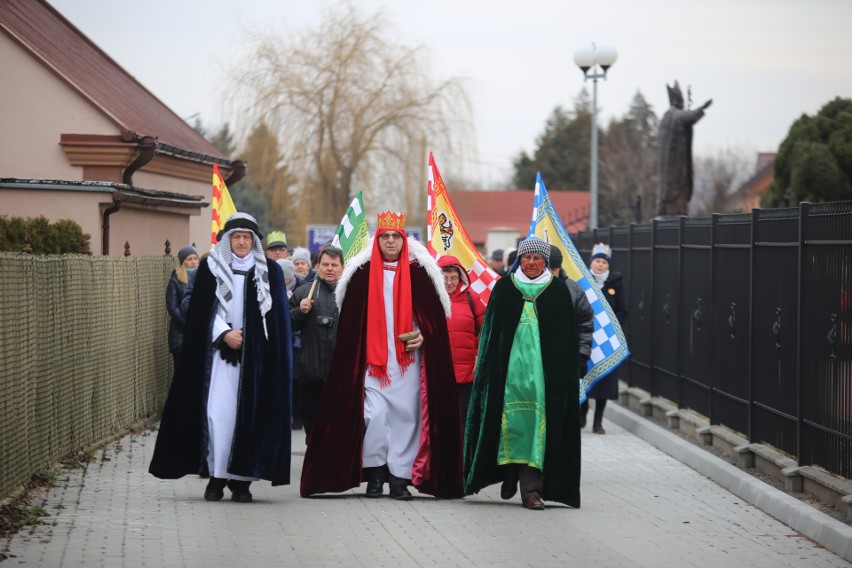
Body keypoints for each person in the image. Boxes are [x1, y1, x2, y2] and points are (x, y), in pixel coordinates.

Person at [300, 211, 463, 501]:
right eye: (385, 236)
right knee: (373, 415)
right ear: (378, 240)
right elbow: (351, 323)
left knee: (406, 418)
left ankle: (399, 478)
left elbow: (435, 321)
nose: (390, 241)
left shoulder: (420, 274)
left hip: (408, 361)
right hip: (372, 362)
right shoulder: (362, 275)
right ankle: (375, 471)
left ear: (404, 240)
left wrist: (425, 335)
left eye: (395, 237)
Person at [149, 213, 293, 503]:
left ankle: (242, 482)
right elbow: (200, 312)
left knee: (248, 418)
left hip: (256, 361)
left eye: (247, 237)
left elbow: (277, 322)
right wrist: (223, 333)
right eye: (236, 237)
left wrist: (251, 337)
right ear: (228, 240)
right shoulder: (210, 269)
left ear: (254, 241)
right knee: (217, 415)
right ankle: (216, 476)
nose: (241, 242)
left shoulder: (270, 272)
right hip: (216, 358)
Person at [464, 237, 581, 510]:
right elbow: (490, 336)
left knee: (536, 427)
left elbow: (566, 341)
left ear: (545, 262)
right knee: (508, 422)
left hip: (541, 376)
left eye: (536, 258)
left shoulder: (558, 291)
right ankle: (509, 473)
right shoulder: (505, 288)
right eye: (526, 258)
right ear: (520, 260)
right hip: (507, 375)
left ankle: (531, 490)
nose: (531, 262)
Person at [290, 246, 344, 438]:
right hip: (311, 375)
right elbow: (286, 324)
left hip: (341, 377)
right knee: (313, 433)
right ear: (317, 266)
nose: (330, 269)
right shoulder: (305, 292)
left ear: (342, 268)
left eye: (334, 265)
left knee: (338, 433)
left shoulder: (351, 294)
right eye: (325, 264)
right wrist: (300, 312)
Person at [580, 243, 628, 434]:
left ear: (608, 265)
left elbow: (623, 311)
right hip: (587, 339)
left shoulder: (615, 283)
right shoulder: (583, 282)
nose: (600, 265)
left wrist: (612, 329)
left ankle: (598, 422)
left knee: (605, 381)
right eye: (597, 261)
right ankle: (582, 411)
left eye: (603, 262)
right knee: (584, 377)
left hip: (607, 341)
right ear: (591, 263)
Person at [437, 255, 485, 424]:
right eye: (444, 277)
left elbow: (487, 329)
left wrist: (478, 355)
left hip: (467, 375)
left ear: (460, 278)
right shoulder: (430, 299)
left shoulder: (473, 298)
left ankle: (464, 451)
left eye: (453, 278)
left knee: (465, 420)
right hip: (439, 373)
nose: (449, 282)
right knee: (441, 421)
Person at [657, 81, 712, 217]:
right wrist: (701, 108)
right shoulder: (675, 114)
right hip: (676, 166)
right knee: (678, 189)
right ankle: (676, 211)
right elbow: (688, 117)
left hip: (671, 166)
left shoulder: (667, 116)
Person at [548, 246, 594, 385]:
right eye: (547, 270)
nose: (550, 274)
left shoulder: (573, 290)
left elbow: (585, 324)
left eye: (554, 270)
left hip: (565, 357)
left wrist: (582, 356)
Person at [166, 245, 198, 369]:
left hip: (197, 336)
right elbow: (172, 308)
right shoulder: (175, 280)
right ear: (183, 262)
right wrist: (188, 323)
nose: (193, 262)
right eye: (189, 259)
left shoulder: (202, 278)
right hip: (180, 336)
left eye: (195, 258)